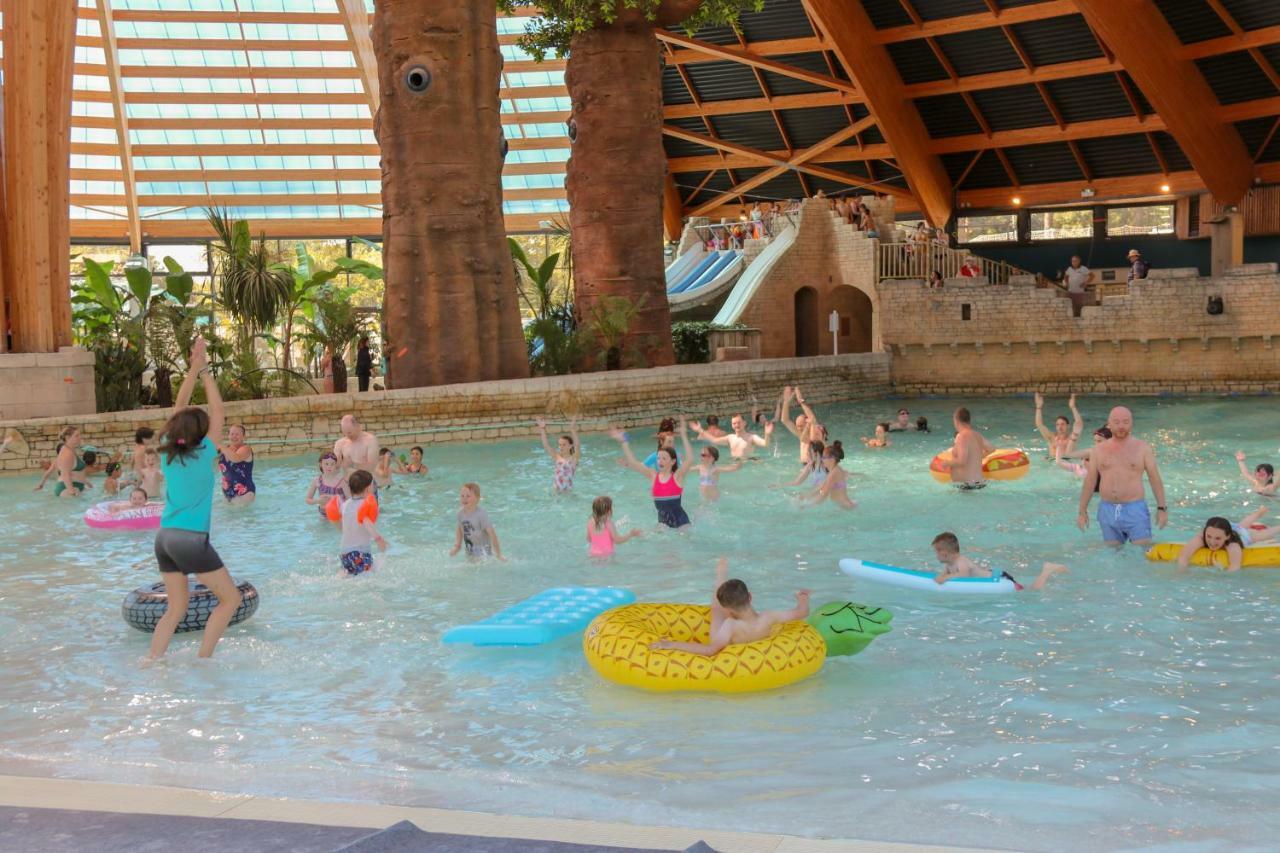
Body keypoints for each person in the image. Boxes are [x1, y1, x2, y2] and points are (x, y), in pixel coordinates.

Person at [149, 336, 243, 660]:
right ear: (201, 433)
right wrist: (204, 372)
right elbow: (219, 410)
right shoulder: (204, 453)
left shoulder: (167, 453)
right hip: (190, 539)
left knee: (176, 608)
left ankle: (152, 661)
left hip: (164, 538)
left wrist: (192, 370)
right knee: (231, 600)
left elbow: (179, 409)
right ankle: (204, 660)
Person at [648, 558, 811, 657]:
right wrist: (802, 599)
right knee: (720, 608)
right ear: (750, 596)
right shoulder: (769, 617)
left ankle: (720, 575)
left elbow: (711, 651)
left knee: (715, 613)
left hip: (733, 650)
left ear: (729, 610)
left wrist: (671, 645)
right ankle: (721, 575)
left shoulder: (731, 624)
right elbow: (802, 612)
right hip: (759, 648)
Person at [1077, 406, 1167, 546]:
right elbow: (1090, 482)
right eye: (1117, 422)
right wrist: (1082, 511)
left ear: (1131, 423)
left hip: (1135, 508)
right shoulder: (1098, 451)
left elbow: (1155, 479)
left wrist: (1161, 508)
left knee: (1141, 552)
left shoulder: (1142, 448)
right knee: (1113, 558)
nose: (1121, 426)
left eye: (1125, 422)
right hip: (1107, 509)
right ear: (1109, 424)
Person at [611, 422, 695, 529]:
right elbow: (633, 463)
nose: (660, 461)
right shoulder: (653, 476)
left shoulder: (677, 476)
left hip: (681, 521)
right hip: (662, 522)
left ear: (673, 461)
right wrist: (624, 441)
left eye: (664, 459)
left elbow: (690, 459)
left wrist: (683, 436)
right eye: (659, 458)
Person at [930, 532, 1068, 591]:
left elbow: (963, 574)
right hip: (991, 579)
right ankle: (1047, 570)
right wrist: (942, 577)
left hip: (1000, 578)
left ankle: (1047, 569)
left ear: (945, 553)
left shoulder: (961, 561)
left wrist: (946, 578)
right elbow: (943, 576)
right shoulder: (949, 564)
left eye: (936, 551)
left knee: (1031, 591)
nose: (935, 555)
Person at [1175, 510, 1280, 572]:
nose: (1211, 542)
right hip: (1227, 529)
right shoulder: (1202, 537)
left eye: (1217, 539)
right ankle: (1259, 512)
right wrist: (1182, 571)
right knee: (1240, 525)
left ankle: (1268, 519)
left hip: (1241, 534)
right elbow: (1184, 556)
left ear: (1227, 537)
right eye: (1209, 536)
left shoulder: (1232, 545)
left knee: (1257, 536)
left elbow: (1235, 567)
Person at [337, 469, 387, 576]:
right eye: (373, 484)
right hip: (360, 552)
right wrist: (378, 539)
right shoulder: (365, 505)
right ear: (368, 488)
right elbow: (366, 521)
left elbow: (342, 525)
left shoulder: (345, 505)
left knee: (349, 577)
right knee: (368, 580)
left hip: (344, 552)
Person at [938, 407, 994, 490]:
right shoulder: (977, 435)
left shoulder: (962, 436)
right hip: (979, 484)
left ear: (956, 420)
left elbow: (962, 461)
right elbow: (991, 449)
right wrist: (977, 457)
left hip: (966, 487)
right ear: (969, 420)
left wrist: (947, 463)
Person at [451, 482, 503, 560]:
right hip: (470, 549)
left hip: (483, 550)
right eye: (462, 496)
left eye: (468, 496)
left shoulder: (481, 514)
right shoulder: (460, 513)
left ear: (477, 499)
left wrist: (499, 554)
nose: (464, 498)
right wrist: (457, 545)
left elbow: (492, 534)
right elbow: (460, 528)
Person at [691, 413, 773, 460]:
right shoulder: (730, 438)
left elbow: (765, 444)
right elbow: (714, 440)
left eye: (739, 422)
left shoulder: (752, 437)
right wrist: (700, 430)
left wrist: (767, 434)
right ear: (732, 425)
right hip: (734, 463)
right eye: (734, 423)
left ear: (744, 423)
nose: (737, 425)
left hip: (748, 462)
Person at [801, 441, 855, 509]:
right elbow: (821, 486)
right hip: (841, 506)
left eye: (824, 457)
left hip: (845, 507)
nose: (822, 460)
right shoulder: (834, 471)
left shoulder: (834, 472)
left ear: (832, 459)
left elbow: (823, 494)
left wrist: (807, 506)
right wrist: (806, 496)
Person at [536, 417, 580, 494]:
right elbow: (546, 445)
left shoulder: (574, 459)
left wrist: (572, 428)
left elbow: (577, 445)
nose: (561, 447)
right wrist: (542, 429)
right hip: (555, 491)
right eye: (559, 445)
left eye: (564, 445)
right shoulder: (557, 457)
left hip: (567, 492)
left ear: (570, 446)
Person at [779, 386, 821, 462]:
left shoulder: (814, 434)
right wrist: (786, 402)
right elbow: (784, 420)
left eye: (801, 426)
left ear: (807, 423)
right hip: (805, 467)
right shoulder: (800, 434)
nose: (798, 428)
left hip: (813, 468)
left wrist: (800, 401)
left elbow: (812, 419)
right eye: (797, 426)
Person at [216, 423, 255, 506]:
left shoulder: (246, 449)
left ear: (243, 437)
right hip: (227, 493)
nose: (234, 436)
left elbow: (236, 458)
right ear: (228, 436)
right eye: (232, 434)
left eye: (237, 434)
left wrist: (221, 447)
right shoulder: (225, 449)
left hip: (245, 492)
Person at [1034, 392, 1083, 457]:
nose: (1060, 427)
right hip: (1052, 463)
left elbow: (1079, 424)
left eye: (1062, 424)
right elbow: (1039, 424)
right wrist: (1038, 407)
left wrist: (1073, 407)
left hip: (1067, 463)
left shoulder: (1072, 439)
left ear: (1068, 426)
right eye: (1057, 424)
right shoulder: (1051, 438)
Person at [306, 451, 349, 517]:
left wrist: (334, 499)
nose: (329, 467)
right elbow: (308, 499)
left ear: (336, 465)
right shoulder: (317, 480)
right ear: (320, 464)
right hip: (323, 513)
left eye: (332, 464)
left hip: (338, 514)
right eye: (326, 464)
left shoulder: (341, 482)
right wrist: (318, 501)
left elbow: (350, 500)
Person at [52, 427, 88, 498]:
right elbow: (65, 474)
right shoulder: (67, 453)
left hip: (75, 487)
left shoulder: (70, 450)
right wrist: (72, 493)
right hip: (68, 489)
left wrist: (86, 483)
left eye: (79, 435)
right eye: (76, 436)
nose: (79, 438)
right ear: (68, 437)